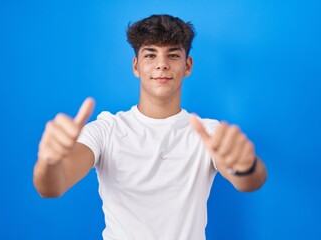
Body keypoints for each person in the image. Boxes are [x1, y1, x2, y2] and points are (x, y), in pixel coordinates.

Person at [33, 14, 267, 240]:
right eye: (150, 55)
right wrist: (48, 162)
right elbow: (52, 187)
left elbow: (250, 181)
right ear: (136, 66)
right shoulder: (106, 130)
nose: (162, 65)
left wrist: (246, 166)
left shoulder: (207, 133)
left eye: (173, 55)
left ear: (188, 66)